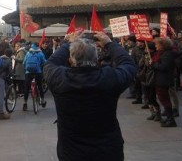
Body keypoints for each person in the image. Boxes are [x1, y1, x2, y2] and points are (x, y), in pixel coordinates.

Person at [43, 31, 136, 161]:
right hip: (107, 150)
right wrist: (110, 44)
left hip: (71, 152)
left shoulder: (60, 79)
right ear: (96, 58)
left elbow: (50, 64)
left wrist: (67, 43)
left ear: (70, 59)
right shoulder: (109, 78)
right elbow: (128, 64)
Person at [22, 43, 47, 111]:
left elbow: (24, 63)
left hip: (28, 72)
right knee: (40, 86)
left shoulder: (28, 53)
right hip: (38, 72)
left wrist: (26, 69)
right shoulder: (40, 53)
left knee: (26, 88)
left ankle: (25, 103)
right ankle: (43, 101)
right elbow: (44, 62)